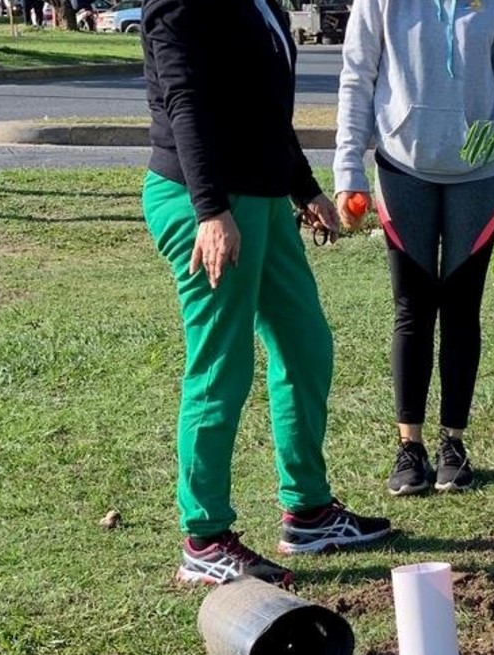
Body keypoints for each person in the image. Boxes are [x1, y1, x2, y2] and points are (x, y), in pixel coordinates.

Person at [141, 0, 390, 587]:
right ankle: (203, 538)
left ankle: (308, 512)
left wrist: (303, 189)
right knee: (221, 365)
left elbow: (263, 110)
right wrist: (210, 209)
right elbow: (185, 102)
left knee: (305, 345)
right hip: (208, 203)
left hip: (263, 201)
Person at [332, 0, 494, 496]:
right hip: (402, 169)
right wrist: (348, 171)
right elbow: (357, 77)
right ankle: (409, 447)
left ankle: (452, 444)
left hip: (482, 176)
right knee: (411, 309)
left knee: (461, 310)